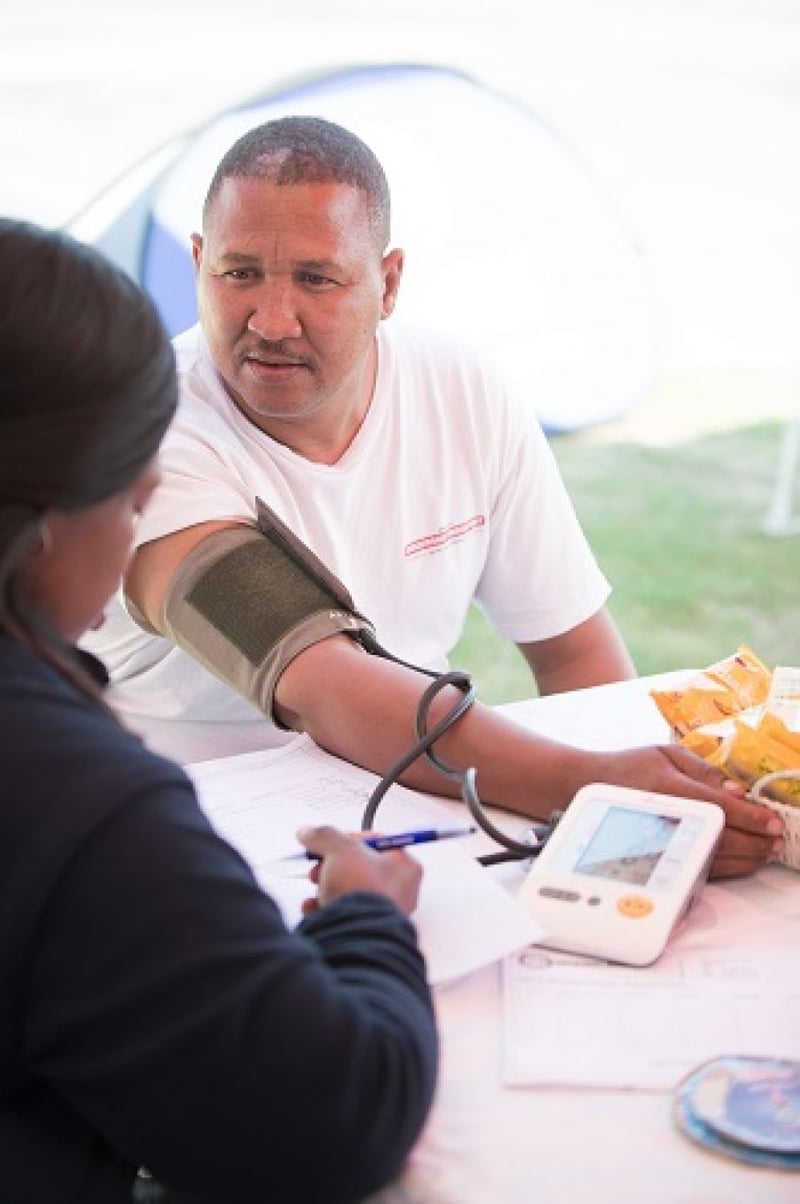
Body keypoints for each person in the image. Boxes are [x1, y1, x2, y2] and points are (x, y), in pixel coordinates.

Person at [85, 116, 782, 880]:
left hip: (426, 819)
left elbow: (573, 648)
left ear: (387, 283)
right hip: (188, 849)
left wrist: (643, 815)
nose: (272, 319)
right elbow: (319, 679)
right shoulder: (147, 430)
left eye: (316, 279)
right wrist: (587, 783)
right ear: (196, 263)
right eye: (239, 273)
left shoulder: (464, 390)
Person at [0, 218, 438, 1204]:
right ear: (43, 521)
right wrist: (368, 916)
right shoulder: (71, 800)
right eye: (129, 491)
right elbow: (331, 1122)